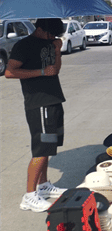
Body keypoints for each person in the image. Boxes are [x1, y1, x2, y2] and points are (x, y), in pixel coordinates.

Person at [5, 19, 67, 212]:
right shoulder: (23, 46)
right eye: (51, 35)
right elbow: (9, 72)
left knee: (49, 146)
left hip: (54, 99)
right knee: (40, 149)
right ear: (40, 29)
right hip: (38, 103)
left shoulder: (49, 42)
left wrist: (57, 50)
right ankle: (29, 196)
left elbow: (55, 70)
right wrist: (40, 71)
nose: (53, 38)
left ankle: (43, 185)